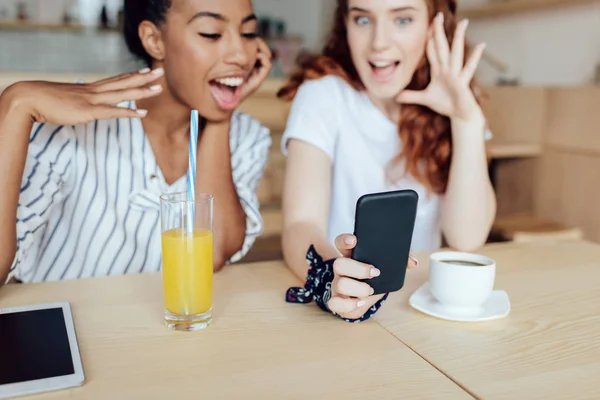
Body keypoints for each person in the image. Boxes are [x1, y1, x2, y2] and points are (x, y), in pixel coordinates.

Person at [0, 0, 272, 285]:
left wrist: (222, 112)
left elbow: (211, 256)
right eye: (211, 33)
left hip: (164, 329)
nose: (241, 55)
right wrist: (17, 103)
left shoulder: (247, 137)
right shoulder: (66, 125)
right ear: (154, 40)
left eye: (249, 33)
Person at [278, 0, 496, 321]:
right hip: (343, 311)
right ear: (346, 25)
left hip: (419, 308)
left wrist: (466, 121)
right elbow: (300, 224)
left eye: (403, 19)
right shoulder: (323, 95)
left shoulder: (455, 100)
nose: (379, 42)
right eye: (363, 20)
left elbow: (467, 237)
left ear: (434, 26)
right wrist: (331, 279)